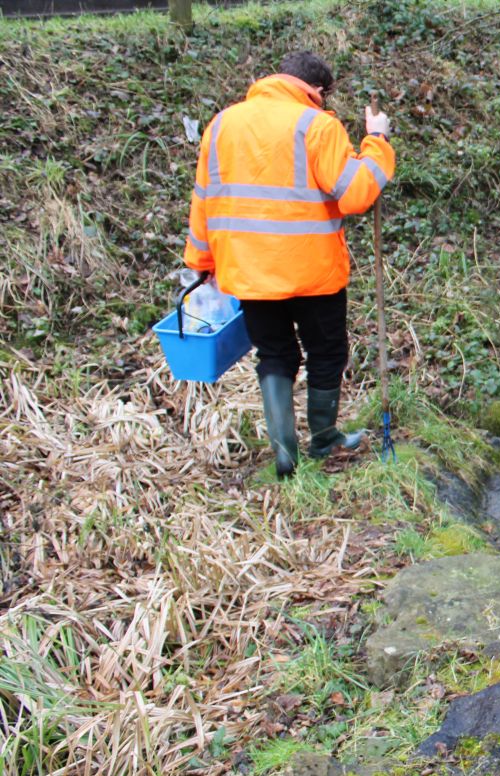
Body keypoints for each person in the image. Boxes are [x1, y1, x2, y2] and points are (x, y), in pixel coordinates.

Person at [182, 51, 395, 478]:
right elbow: (356, 194)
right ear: (316, 90)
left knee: (275, 354)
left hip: (247, 272)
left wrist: (201, 262)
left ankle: (284, 454)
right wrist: (377, 141)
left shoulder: (221, 125)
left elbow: (204, 200)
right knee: (326, 351)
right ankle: (324, 439)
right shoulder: (317, 125)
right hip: (312, 272)